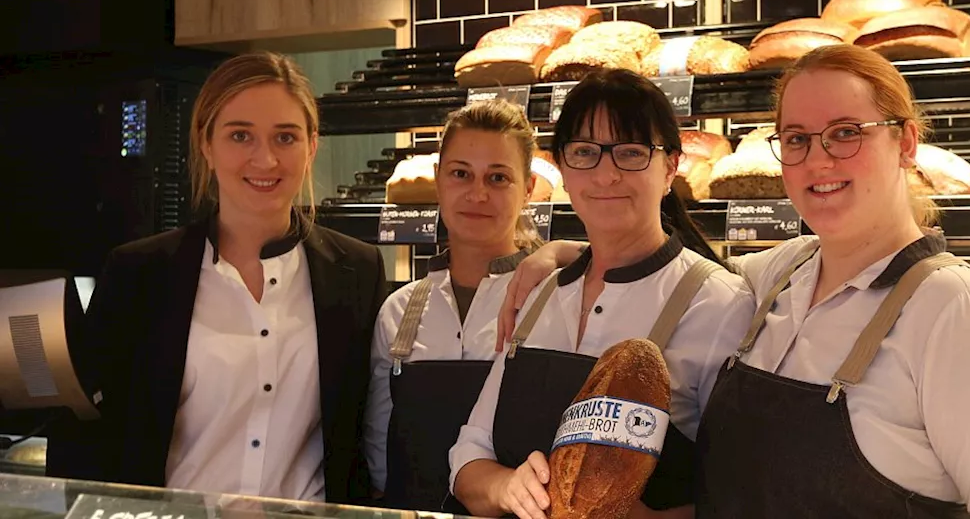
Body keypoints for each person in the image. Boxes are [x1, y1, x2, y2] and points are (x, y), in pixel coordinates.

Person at [498, 45, 970, 518]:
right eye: (797, 138)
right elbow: (662, 259)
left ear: (905, 142)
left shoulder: (958, 315)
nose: (818, 159)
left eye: (846, 132)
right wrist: (561, 253)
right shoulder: (782, 274)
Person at [46, 52, 387, 505]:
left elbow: (368, 434)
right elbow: (87, 433)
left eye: (285, 137)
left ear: (311, 146)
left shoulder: (357, 271)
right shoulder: (139, 273)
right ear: (206, 144)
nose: (264, 159)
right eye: (240, 135)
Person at [448, 69, 754, 519]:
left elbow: (743, 494)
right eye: (585, 153)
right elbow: (469, 454)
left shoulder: (716, 303)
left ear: (670, 167)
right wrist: (506, 487)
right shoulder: (539, 294)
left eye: (630, 153)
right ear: (563, 170)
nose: (606, 175)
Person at [364, 99, 545, 512]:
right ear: (438, 180)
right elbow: (377, 448)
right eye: (461, 174)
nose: (477, 194)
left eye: (498, 178)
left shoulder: (552, 302)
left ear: (528, 189)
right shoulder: (399, 311)